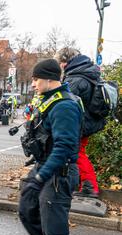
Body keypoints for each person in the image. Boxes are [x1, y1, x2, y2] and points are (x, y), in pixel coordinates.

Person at [18, 59, 83, 235]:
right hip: (46, 167)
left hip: (58, 173)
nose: (33, 84)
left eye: (35, 79)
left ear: (48, 79)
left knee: (54, 226)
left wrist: (40, 177)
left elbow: (64, 148)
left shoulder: (64, 106)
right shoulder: (50, 101)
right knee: (26, 209)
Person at [55, 48, 101, 198]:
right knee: (78, 152)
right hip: (87, 121)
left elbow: (66, 102)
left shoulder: (75, 78)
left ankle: (90, 186)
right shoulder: (85, 72)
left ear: (65, 62)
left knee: (77, 153)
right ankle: (84, 184)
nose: (60, 66)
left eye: (60, 62)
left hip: (80, 124)